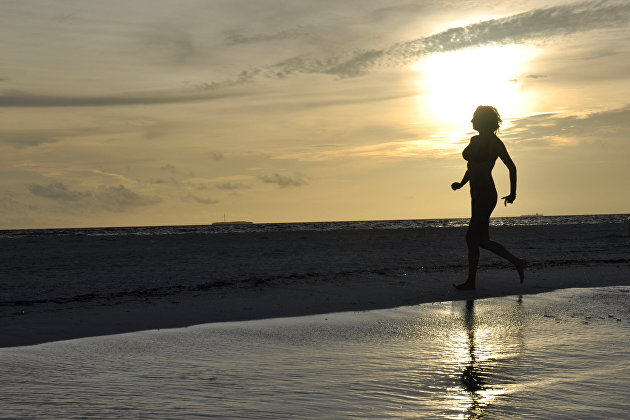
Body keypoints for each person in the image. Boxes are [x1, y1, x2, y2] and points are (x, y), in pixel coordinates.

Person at [451, 105, 525, 290]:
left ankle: (473, 280)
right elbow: (472, 166)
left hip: (486, 193)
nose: (471, 121)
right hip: (475, 194)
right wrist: (461, 184)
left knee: (472, 237)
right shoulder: (474, 140)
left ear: (483, 120)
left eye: (475, 117)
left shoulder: (495, 143)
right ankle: (515, 262)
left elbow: (512, 167)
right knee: (479, 239)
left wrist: (513, 193)